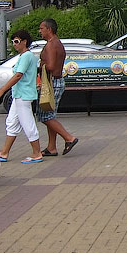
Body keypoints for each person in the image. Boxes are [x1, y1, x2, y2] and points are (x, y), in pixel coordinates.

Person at [0, 29, 43, 163]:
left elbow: (18, 75)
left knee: (28, 124)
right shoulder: (23, 56)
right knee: (11, 122)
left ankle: (37, 153)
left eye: (16, 41)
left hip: (24, 96)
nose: (14, 44)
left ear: (24, 42)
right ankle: (4, 152)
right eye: (13, 42)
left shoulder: (26, 56)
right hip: (19, 95)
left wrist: (1, 91)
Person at [37, 19, 79, 157]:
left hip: (52, 82)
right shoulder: (57, 42)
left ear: (49, 29)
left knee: (45, 116)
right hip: (56, 81)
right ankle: (51, 147)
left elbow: (50, 66)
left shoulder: (51, 44)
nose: (40, 31)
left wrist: (38, 67)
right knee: (51, 116)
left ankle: (69, 138)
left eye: (41, 28)